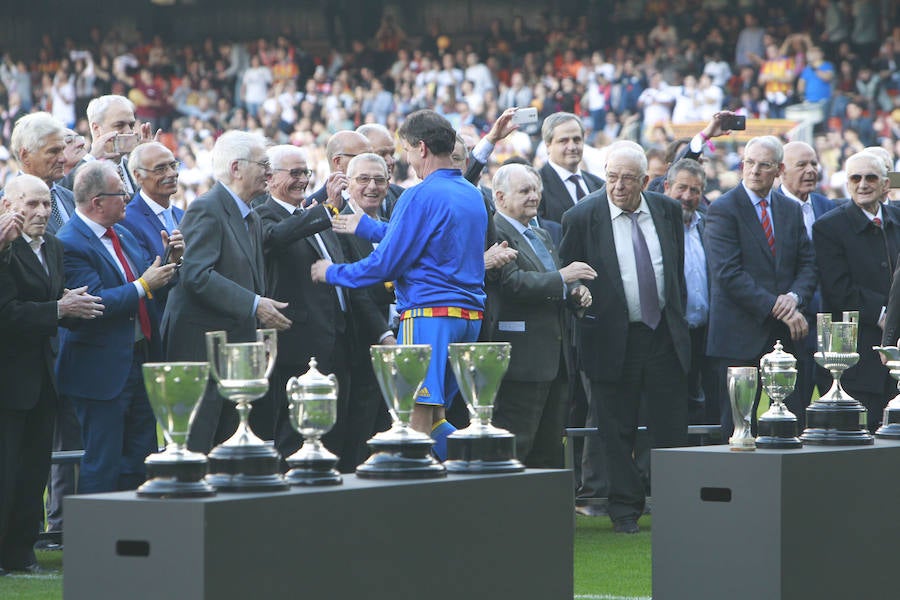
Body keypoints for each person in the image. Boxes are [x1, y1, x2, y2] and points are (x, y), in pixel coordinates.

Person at [312, 109, 487, 460]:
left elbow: (385, 264)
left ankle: (434, 500)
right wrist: (366, 228)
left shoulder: (417, 195)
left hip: (429, 315)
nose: (405, 159)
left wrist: (330, 273)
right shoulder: (471, 194)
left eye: (405, 150)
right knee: (437, 418)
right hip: (468, 317)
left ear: (421, 148)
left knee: (414, 419)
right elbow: (430, 241)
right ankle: (479, 468)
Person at [559, 141, 691, 534]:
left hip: (664, 336)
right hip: (610, 338)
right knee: (614, 429)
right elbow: (568, 275)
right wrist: (576, 296)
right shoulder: (580, 217)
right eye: (611, 177)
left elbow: (676, 272)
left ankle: (675, 503)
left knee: (671, 426)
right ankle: (624, 511)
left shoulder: (667, 211)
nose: (617, 186)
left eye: (627, 179)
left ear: (645, 181)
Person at [255, 145, 392, 471]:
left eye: (306, 173)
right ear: (270, 178)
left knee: (337, 437)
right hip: (298, 346)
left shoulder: (317, 218)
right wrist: (326, 207)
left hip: (340, 344)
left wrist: (382, 332)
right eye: (295, 173)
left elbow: (347, 282)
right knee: (296, 437)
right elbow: (275, 238)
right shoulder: (263, 215)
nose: (302, 180)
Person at [161, 130, 290, 453]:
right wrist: (254, 304)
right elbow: (195, 274)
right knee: (197, 449)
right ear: (236, 168)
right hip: (201, 354)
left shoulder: (251, 216)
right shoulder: (207, 208)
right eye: (263, 164)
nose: (270, 173)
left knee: (228, 451)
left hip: (233, 355)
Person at [56, 160, 180, 493]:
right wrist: (144, 284)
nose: (128, 198)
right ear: (97, 202)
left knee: (141, 456)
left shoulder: (121, 233)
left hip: (138, 359)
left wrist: (169, 264)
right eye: (121, 194)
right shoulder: (69, 243)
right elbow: (95, 303)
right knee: (104, 461)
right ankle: (96, 542)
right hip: (100, 371)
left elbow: (146, 285)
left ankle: (136, 534)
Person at [0, 175, 102, 574]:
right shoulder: (6, 251)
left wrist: (72, 306)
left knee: (34, 470)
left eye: (45, 204)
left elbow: (50, 304)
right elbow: (7, 314)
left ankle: (22, 553)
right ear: (9, 206)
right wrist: (59, 310)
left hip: (44, 376)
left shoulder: (54, 247)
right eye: (30, 204)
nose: (41, 212)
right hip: (9, 378)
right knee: (7, 469)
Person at [704, 136, 817, 439]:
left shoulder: (790, 210)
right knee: (738, 428)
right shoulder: (723, 209)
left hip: (786, 339)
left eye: (763, 165)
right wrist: (776, 307)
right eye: (748, 163)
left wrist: (794, 298)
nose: (753, 170)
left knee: (790, 426)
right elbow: (728, 274)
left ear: (779, 169)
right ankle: (733, 486)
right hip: (739, 337)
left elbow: (808, 265)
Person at [487, 163, 595, 467]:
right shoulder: (494, 230)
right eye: (525, 191)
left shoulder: (541, 233)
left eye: (536, 190)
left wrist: (576, 293)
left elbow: (555, 281)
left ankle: (543, 513)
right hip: (522, 360)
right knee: (517, 445)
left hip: (556, 358)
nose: (534, 196)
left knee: (548, 449)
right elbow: (513, 283)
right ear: (500, 197)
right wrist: (564, 277)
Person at [815, 151, 900, 429]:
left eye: (871, 177)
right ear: (847, 183)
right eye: (855, 178)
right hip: (860, 350)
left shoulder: (898, 218)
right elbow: (838, 288)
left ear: (885, 184)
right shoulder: (829, 227)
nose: (863, 184)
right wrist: (884, 314)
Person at [778, 141, 837, 424]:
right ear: (782, 171)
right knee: (793, 408)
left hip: (829, 323)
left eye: (813, 164)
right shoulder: (770, 210)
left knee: (835, 407)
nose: (810, 170)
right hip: (789, 323)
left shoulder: (829, 207)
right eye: (801, 165)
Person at [663, 158, 716, 425]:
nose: (687, 196)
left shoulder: (707, 225)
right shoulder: (657, 226)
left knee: (702, 407)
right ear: (666, 187)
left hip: (703, 335)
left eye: (695, 191)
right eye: (681, 188)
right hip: (669, 336)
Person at [58, 95, 157, 194]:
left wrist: (149, 161)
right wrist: (92, 158)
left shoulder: (134, 169)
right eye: (119, 125)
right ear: (96, 129)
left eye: (131, 125)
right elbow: (58, 195)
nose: (129, 131)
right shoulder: (80, 167)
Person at [8, 112, 75, 235]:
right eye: (53, 151)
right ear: (25, 156)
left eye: (62, 150)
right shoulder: (8, 205)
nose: (63, 159)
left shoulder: (71, 198)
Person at [122, 142, 185, 270]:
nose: (172, 173)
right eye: (161, 169)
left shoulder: (182, 215)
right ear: (138, 176)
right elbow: (146, 278)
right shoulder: (128, 220)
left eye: (173, 165)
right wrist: (172, 262)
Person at [537, 112, 604, 225]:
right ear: (548, 145)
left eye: (577, 140)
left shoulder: (599, 185)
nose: (572, 147)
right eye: (563, 141)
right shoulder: (536, 187)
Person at [305, 130, 373, 205]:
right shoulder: (313, 207)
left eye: (373, 158)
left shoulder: (378, 196)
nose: (372, 163)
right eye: (363, 158)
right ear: (338, 162)